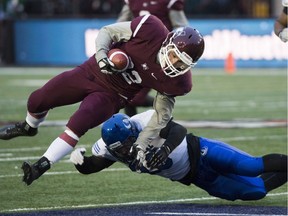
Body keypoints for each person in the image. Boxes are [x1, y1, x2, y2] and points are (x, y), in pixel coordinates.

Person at [0, 15, 205, 186]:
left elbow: (161, 116)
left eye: (182, 63)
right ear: (168, 42)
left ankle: (41, 165)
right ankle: (29, 127)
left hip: (114, 95)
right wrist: (102, 56)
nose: (174, 63)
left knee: (77, 123)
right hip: (91, 71)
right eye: (175, 55)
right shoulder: (150, 28)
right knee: (37, 100)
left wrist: (141, 144)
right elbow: (107, 31)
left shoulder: (179, 82)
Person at [70, 110, 287, 201]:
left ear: (133, 132)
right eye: (121, 148)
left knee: (251, 167)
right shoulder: (110, 148)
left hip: (201, 151)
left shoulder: (145, 122)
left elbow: (178, 130)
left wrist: (164, 150)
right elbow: (93, 165)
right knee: (254, 192)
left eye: (129, 143)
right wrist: (81, 163)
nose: (127, 150)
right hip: (194, 177)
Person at [117, 0, 189, 116]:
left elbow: (181, 27)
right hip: (137, 52)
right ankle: (131, 130)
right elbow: (121, 23)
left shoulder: (169, 2)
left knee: (136, 98)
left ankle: (165, 119)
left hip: (159, 56)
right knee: (128, 95)